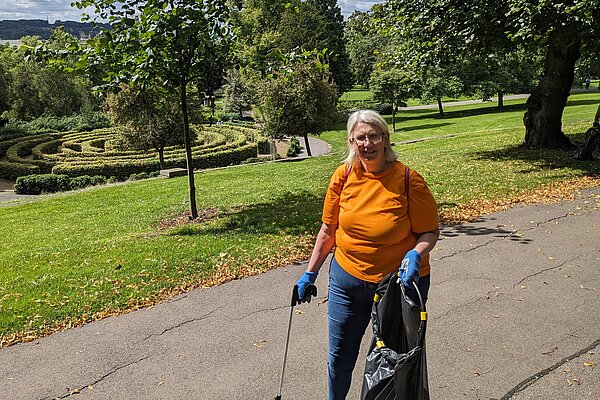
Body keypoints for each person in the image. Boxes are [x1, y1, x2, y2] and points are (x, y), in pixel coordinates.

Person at [295, 110, 439, 399]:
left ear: (386, 138)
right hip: (347, 282)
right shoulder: (344, 175)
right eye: (360, 137)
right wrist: (310, 273)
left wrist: (415, 254)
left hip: (396, 288)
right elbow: (328, 230)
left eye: (374, 135)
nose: (367, 143)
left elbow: (429, 233)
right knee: (340, 357)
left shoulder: (409, 180)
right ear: (351, 142)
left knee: (389, 362)